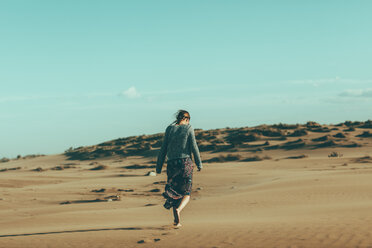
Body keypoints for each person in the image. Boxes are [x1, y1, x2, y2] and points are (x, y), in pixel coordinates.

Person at [156, 110, 203, 227]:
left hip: (172, 164)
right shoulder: (188, 128)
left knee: (174, 192)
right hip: (185, 163)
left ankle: (177, 222)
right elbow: (194, 147)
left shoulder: (169, 129)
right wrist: (199, 163)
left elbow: (163, 149)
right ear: (186, 119)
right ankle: (179, 210)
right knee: (186, 192)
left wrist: (158, 166)